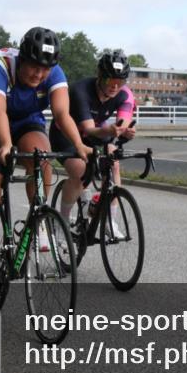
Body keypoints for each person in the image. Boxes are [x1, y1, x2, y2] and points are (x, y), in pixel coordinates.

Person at [0, 27, 91, 288]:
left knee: (41, 156)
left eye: (45, 69)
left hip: (25, 124)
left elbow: (62, 113)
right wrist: (6, 144)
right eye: (33, 66)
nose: (39, 74)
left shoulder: (53, 72)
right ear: (22, 58)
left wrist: (79, 145)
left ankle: (38, 217)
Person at [50, 49, 136, 238]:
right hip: (65, 133)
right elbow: (90, 130)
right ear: (99, 75)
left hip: (96, 131)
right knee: (80, 169)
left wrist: (124, 133)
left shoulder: (125, 95)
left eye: (119, 82)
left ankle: (109, 220)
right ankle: (62, 222)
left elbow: (122, 123)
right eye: (109, 81)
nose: (115, 87)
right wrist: (112, 131)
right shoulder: (80, 90)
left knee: (113, 162)